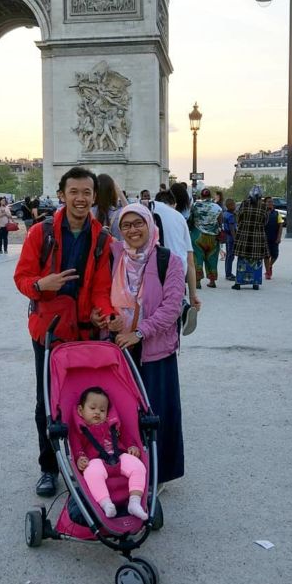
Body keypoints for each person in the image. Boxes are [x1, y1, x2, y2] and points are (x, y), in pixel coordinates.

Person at [14, 166, 114, 497]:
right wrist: (42, 284)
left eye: (87, 192)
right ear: (62, 195)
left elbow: (102, 288)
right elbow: (22, 278)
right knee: (47, 403)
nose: (80, 198)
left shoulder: (102, 238)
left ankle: (85, 461)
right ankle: (48, 467)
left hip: (84, 331)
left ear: (94, 196)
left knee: (85, 400)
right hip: (49, 331)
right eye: (74, 192)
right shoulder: (39, 234)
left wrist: (105, 313)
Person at [107, 203, 185, 485]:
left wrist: (139, 332)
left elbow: (171, 308)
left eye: (138, 223)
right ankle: (130, 471)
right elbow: (104, 297)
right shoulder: (114, 255)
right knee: (123, 414)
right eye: (125, 225)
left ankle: (159, 474)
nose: (132, 230)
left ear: (150, 225)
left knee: (158, 413)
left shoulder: (169, 260)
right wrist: (107, 319)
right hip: (119, 347)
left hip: (154, 350)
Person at [69, 386, 148, 520]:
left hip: (119, 456)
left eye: (102, 410)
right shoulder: (80, 431)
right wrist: (80, 457)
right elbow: (76, 447)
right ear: (81, 411)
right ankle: (106, 504)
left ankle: (134, 502)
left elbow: (126, 437)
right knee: (91, 472)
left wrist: (132, 446)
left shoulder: (113, 425)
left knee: (138, 466)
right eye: (92, 408)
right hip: (95, 460)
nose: (97, 412)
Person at [153, 189, 201, 335]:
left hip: (155, 268)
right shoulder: (180, 218)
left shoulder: (150, 209)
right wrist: (193, 296)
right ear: (173, 204)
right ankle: (182, 305)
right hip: (178, 272)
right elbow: (190, 261)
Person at [232, 188, 268, 290]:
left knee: (242, 259)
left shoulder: (244, 203)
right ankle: (255, 283)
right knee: (256, 260)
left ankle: (238, 283)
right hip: (258, 236)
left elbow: (239, 217)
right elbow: (265, 221)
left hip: (244, 235)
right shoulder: (263, 206)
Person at [189, 187, 222, 288]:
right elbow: (220, 222)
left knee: (197, 258)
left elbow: (190, 219)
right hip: (213, 237)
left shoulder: (195, 205)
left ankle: (198, 282)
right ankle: (212, 281)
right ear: (210, 196)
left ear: (201, 196)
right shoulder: (217, 207)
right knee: (212, 258)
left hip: (197, 236)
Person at [263, 197, 284, 280]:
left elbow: (281, 225)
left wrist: (279, 237)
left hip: (274, 237)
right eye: (268, 202)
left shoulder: (277, 213)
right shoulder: (262, 213)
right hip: (264, 238)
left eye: (271, 202)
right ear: (264, 203)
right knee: (266, 256)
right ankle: (268, 272)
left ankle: (269, 266)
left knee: (275, 255)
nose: (270, 203)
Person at [221, 198, 237, 281]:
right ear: (230, 206)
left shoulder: (225, 214)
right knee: (230, 255)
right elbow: (232, 227)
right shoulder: (231, 215)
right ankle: (228, 274)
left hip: (226, 236)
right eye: (234, 204)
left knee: (228, 255)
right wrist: (235, 238)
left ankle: (228, 272)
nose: (235, 206)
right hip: (231, 237)